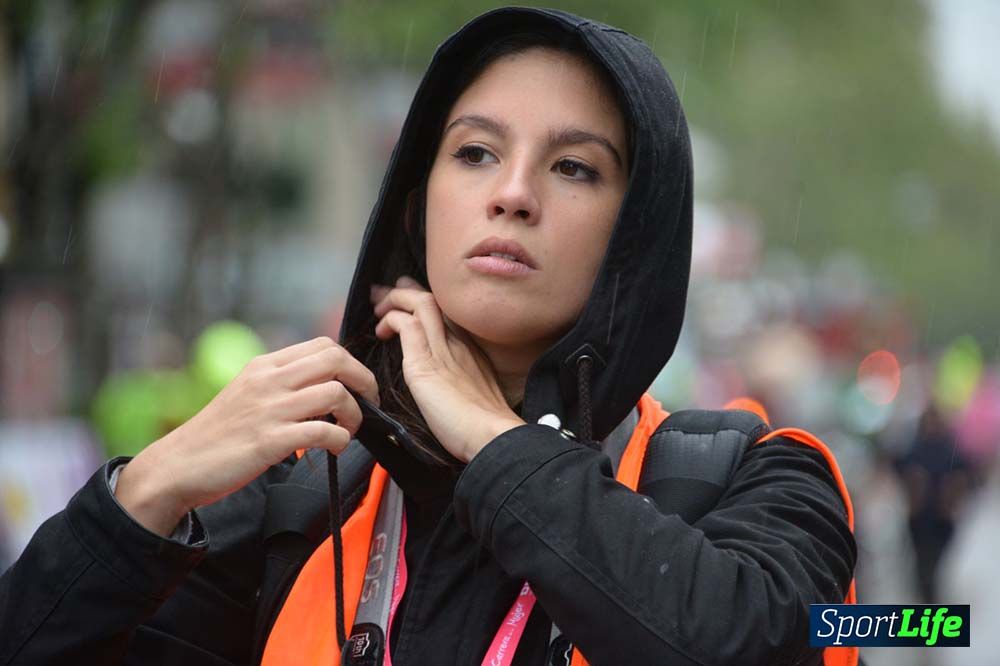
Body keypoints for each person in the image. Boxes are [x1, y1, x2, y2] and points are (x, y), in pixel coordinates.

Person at [0, 7, 856, 666]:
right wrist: (146, 494)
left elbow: (772, 638)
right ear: (417, 204)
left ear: (636, 234)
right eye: (475, 153)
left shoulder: (754, 478)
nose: (513, 193)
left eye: (573, 167)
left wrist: (496, 441)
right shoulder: (297, 509)